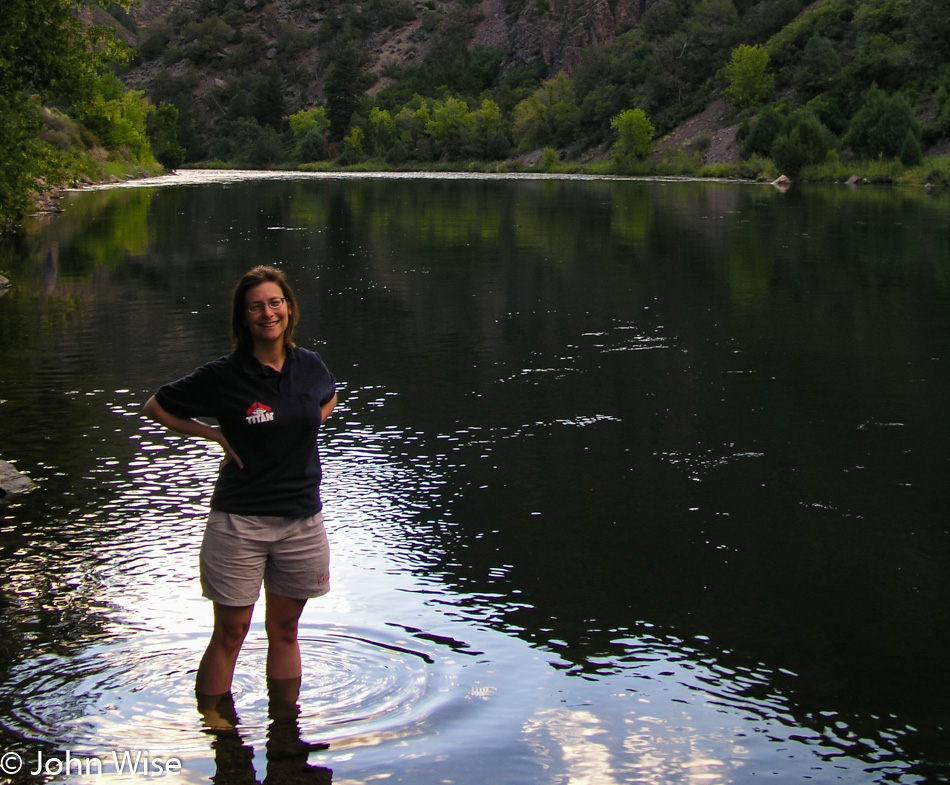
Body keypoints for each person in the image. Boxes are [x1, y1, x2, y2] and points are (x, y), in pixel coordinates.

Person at [143, 265, 337, 726]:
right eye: (256, 306)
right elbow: (156, 407)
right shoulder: (225, 376)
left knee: (285, 630)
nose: (268, 313)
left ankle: (285, 725)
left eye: (275, 302)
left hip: (301, 521)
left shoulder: (309, 365)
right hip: (239, 523)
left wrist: (306, 423)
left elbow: (328, 396)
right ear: (244, 317)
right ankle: (213, 721)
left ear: (289, 307)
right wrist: (214, 435)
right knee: (230, 633)